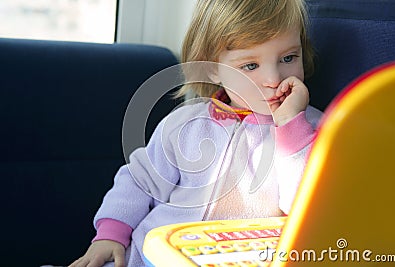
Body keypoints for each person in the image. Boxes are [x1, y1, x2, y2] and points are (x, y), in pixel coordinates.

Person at [69, 0, 323, 266]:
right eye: (250, 66)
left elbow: (309, 209)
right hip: (146, 257)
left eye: (288, 58)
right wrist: (110, 236)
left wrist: (291, 126)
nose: (273, 78)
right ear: (212, 68)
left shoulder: (313, 129)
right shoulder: (184, 124)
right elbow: (140, 181)